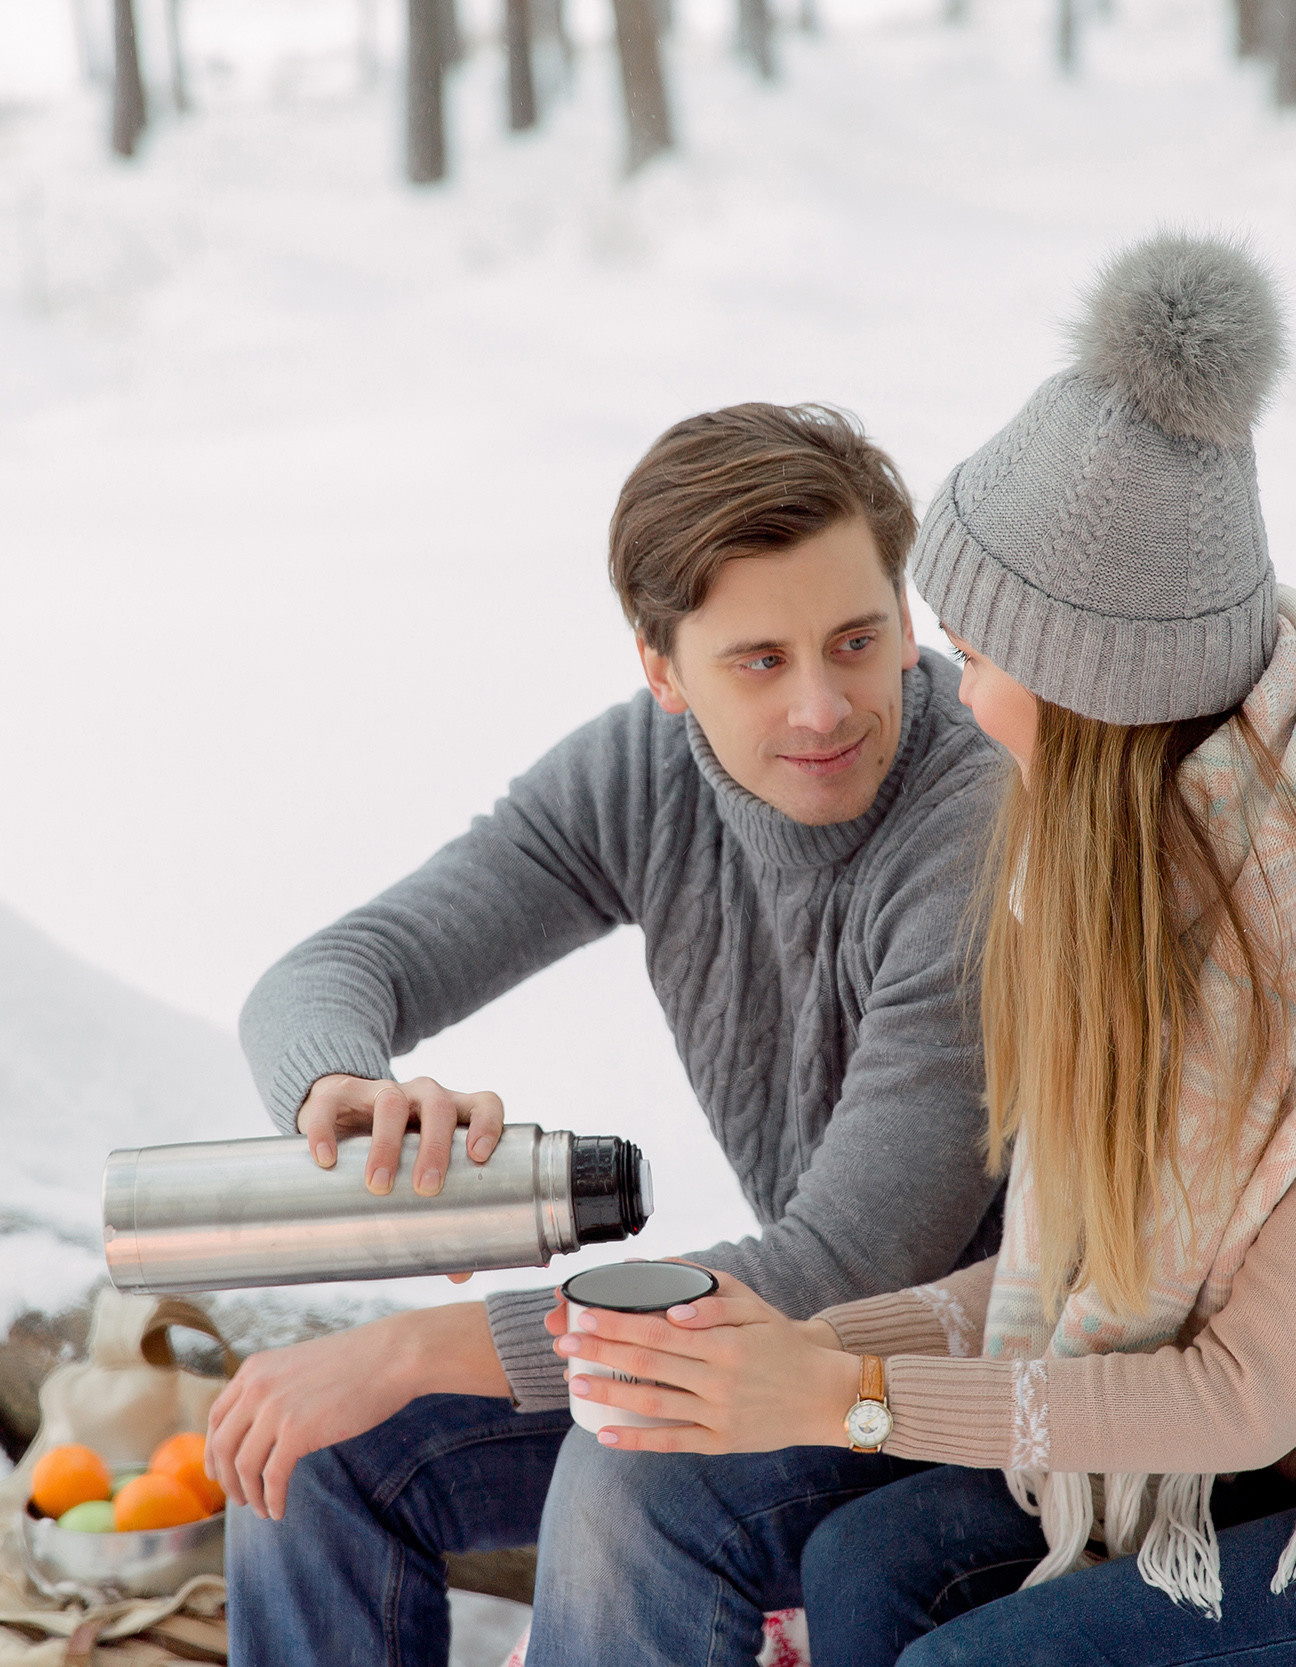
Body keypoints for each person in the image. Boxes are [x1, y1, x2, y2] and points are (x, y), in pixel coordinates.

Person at [547, 234, 1296, 1667]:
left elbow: (1242, 1390)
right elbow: (1067, 1277)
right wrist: (817, 1347)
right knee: (862, 1569)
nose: (944, 682)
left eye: (975, 649)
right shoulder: (1125, 879)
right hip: (1280, 1468)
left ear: (1091, 689)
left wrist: (841, 1392)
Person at [212, 402, 1011, 1664]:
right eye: (758, 659)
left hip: (960, 1383)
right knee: (319, 1445)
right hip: (763, 1352)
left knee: (629, 1466)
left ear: (906, 619)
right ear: (661, 668)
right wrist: (343, 1083)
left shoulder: (978, 823)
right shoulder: (646, 772)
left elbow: (849, 1262)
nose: (823, 706)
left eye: (857, 640)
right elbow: (331, 970)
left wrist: (423, 1343)